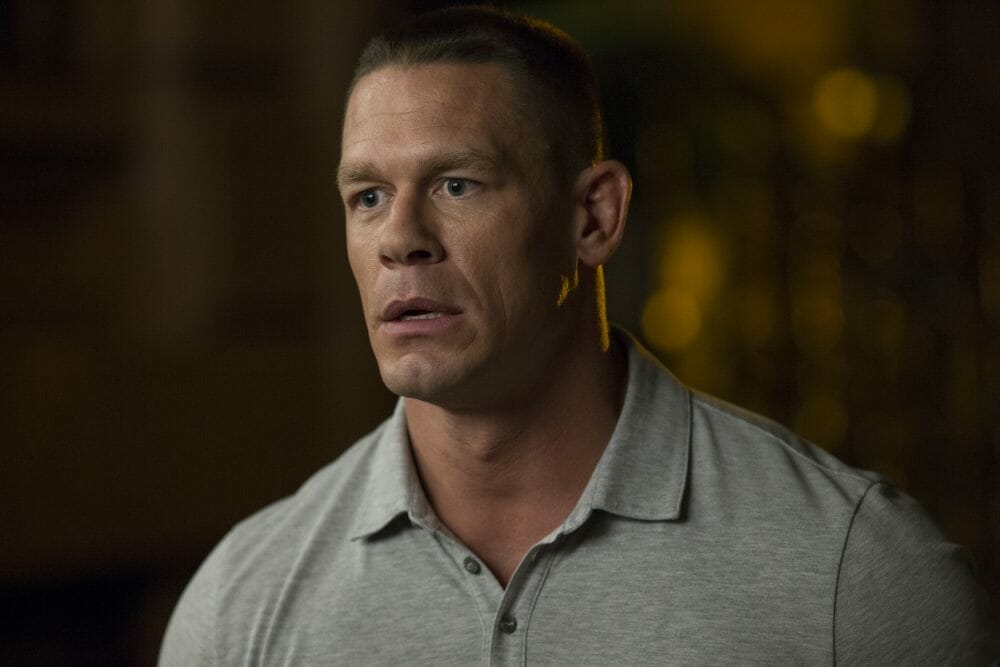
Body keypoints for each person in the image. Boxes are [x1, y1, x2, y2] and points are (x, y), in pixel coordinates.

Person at [160, 6, 996, 664]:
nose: (400, 238)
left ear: (594, 216)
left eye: (457, 184)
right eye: (368, 197)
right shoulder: (242, 601)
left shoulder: (858, 576)